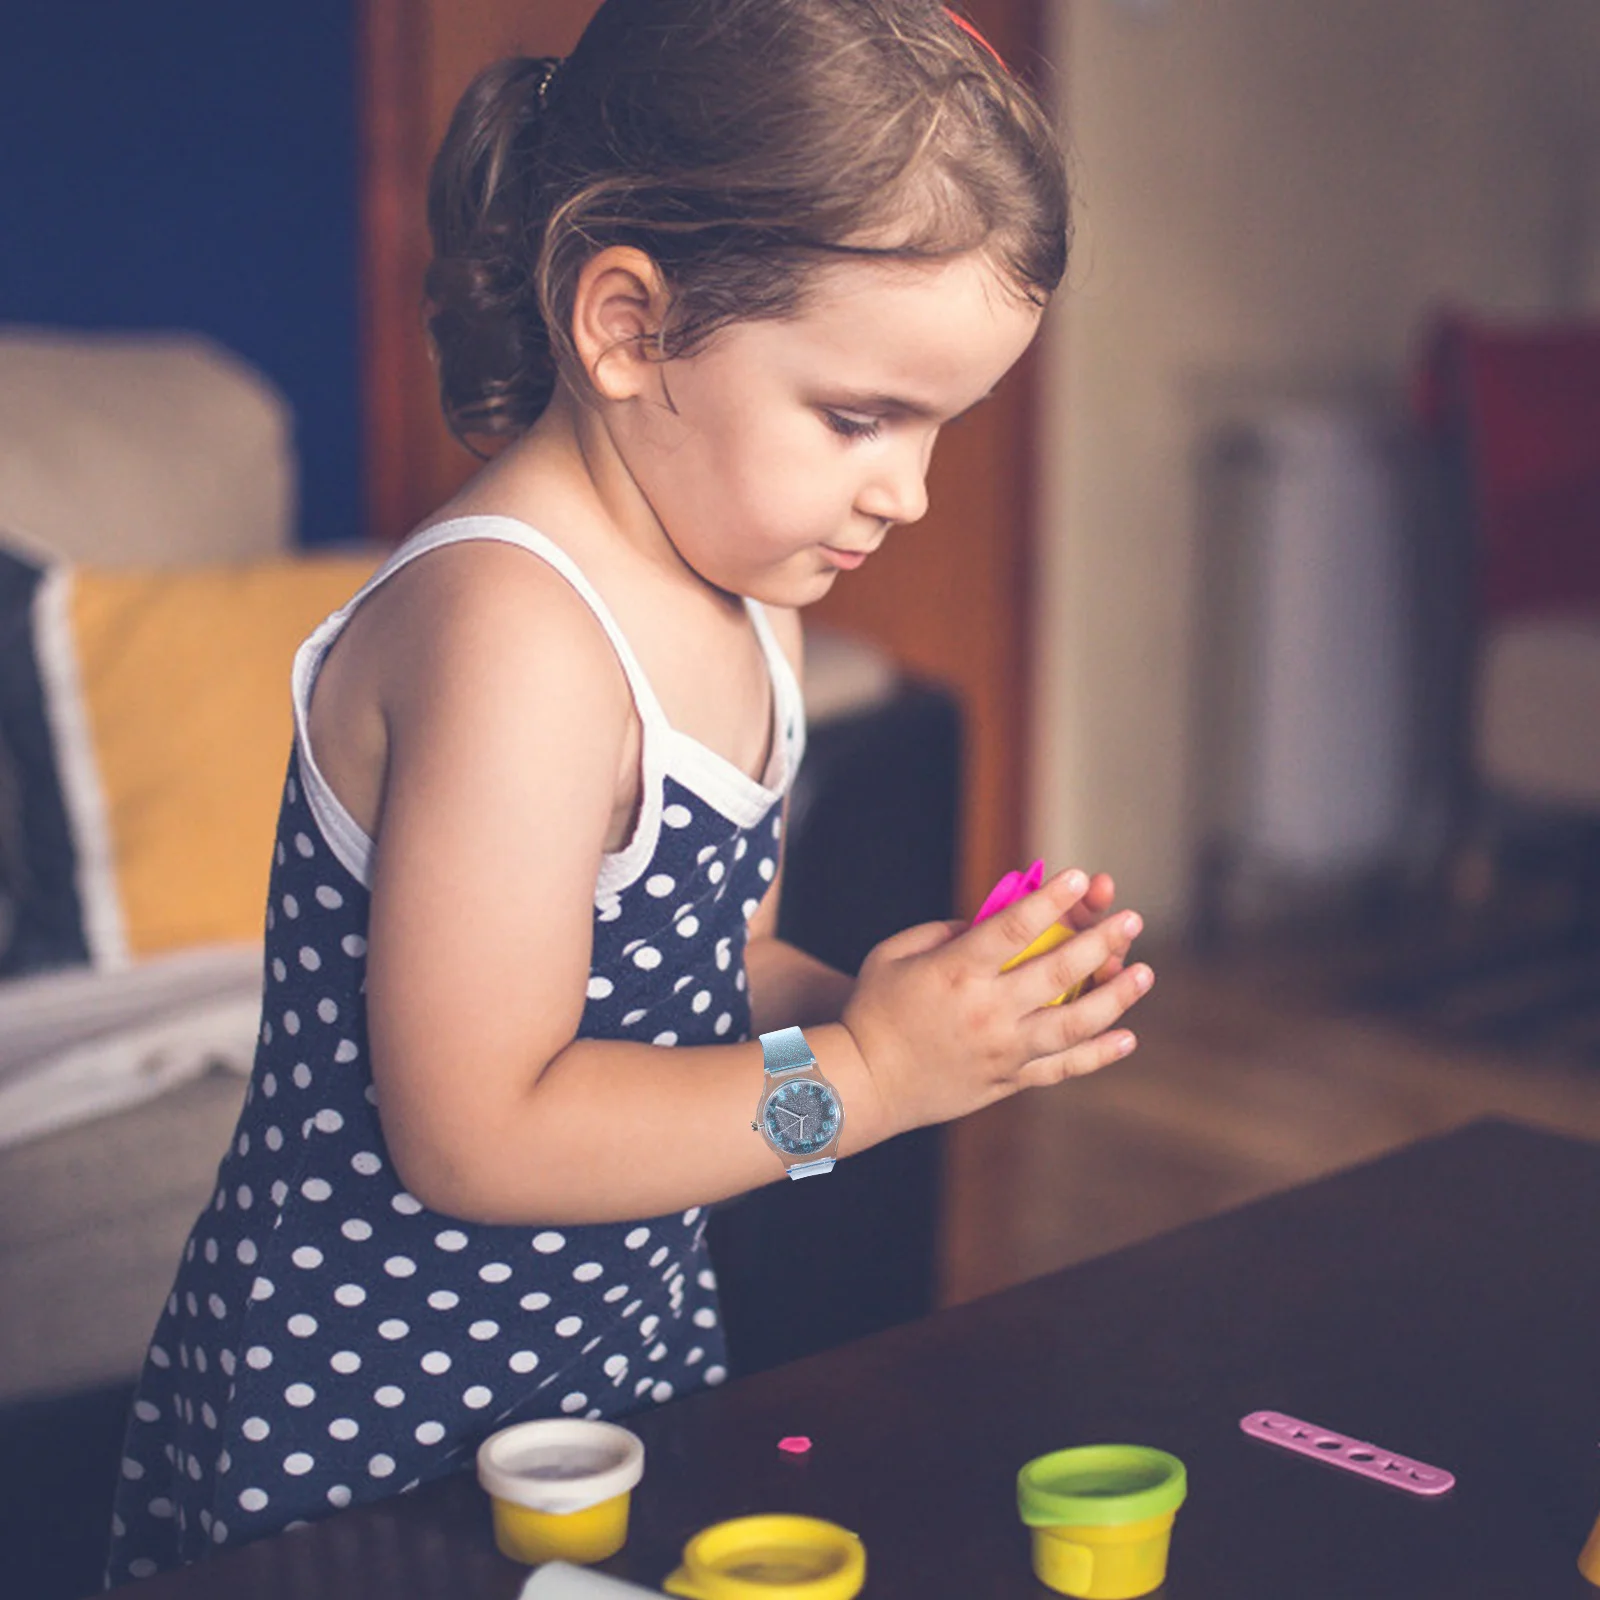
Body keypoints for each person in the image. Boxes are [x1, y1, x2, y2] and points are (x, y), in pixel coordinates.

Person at [106, 0, 1154, 1580]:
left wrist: (911, 1009)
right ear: (629, 327)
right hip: (364, 1416)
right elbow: (477, 1133)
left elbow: (695, 973)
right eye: (860, 417)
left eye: (945, 425)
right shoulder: (517, 634)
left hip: (615, 1360)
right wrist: (863, 1078)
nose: (911, 489)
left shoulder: (751, 595)